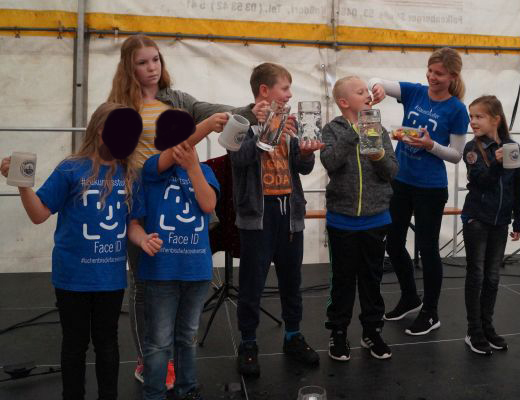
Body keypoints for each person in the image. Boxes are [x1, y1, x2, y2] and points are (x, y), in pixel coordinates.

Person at [107, 34, 250, 386]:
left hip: (181, 203)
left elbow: (219, 111)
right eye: (142, 62)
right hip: (142, 203)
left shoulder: (179, 100)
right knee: (143, 285)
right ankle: (149, 359)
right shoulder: (118, 109)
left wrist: (253, 109)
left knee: (180, 285)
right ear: (128, 67)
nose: (152, 68)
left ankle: (168, 355)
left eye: (155, 59)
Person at [0, 103, 162, 400]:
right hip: (72, 276)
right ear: (100, 130)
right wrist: (22, 185)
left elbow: (133, 224)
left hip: (110, 278)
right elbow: (38, 214)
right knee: (74, 344)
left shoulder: (130, 174)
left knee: (107, 343)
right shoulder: (70, 169)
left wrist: (143, 240)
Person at [230, 62, 323, 377]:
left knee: (292, 279)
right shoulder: (240, 119)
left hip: (289, 211)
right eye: (285, 88)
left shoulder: (290, 122)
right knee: (252, 282)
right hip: (258, 214)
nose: (290, 94)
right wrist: (263, 128)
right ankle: (248, 342)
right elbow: (239, 157)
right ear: (264, 90)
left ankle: (293, 335)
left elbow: (302, 167)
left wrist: (307, 152)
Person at [369, 47, 470, 335]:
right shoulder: (414, 92)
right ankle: (410, 297)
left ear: (452, 77)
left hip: (430, 188)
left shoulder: (456, 109)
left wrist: (430, 145)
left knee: (427, 249)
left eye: (439, 74)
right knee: (393, 243)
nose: (432, 77)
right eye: (430, 71)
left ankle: (430, 311)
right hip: (400, 181)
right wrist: (376, 89)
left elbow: (456, 155)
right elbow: (376, 80)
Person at [138, 110, 222, 400]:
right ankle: (154, 393)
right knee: (159, 341)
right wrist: (207, 125)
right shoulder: (153, 168)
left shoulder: (205, 172)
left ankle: (187, 388)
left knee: (187, 336)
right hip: (161, 270)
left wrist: (194, 168)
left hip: (196, 269)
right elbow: (176, 150)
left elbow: (208, 204)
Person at [320, 76, 398, 361]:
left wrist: (378, 156)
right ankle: (338, 332)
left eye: (367, 90)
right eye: (360, 91)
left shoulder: (380, 129)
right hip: (342, 220)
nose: (368, 94)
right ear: (344, 102)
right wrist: (355, 132)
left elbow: (391, 171)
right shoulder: (331, 130)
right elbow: (330, 162)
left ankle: (372, 331)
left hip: (376, 219)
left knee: (371, 279)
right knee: (342, 281)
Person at [460, 95, 520, 355]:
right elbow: (481, 182)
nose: (473, 121)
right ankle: (473, 330)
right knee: (476, 275)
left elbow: (517, 184)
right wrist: (497, 164)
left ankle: (487, 326)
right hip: (477, 219)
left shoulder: (512, 147)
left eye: (479, 116)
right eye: (471, 116)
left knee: (493, 277)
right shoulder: (472, 148)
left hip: (500, 221)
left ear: (495, 119)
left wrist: (519, 217)